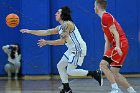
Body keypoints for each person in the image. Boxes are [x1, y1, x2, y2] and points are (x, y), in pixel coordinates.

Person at [20, 6, 103, 93]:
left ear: (63, 15)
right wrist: (29, 31)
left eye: (58, 12)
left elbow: (62, 41)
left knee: (70, 71)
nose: (56, 14)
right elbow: (46, 32)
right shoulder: (60, 27)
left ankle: (95, 73)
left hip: (78, 49)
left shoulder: (67, 25)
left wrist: (46, 42)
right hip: (72, 49)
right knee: (60, 65)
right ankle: (66, 88)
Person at [94, 0, 137, 93]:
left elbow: (116, 33)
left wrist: (117, 46)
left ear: (97, 6)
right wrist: (104, 56)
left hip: (120, 44)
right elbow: (107, 41)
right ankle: (132, 91)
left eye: (94, 6)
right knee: (114, 72)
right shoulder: (103, 20)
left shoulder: (106, 16)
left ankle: (115, 89)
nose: (93, 8)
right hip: (122, 45)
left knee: (103, 65)